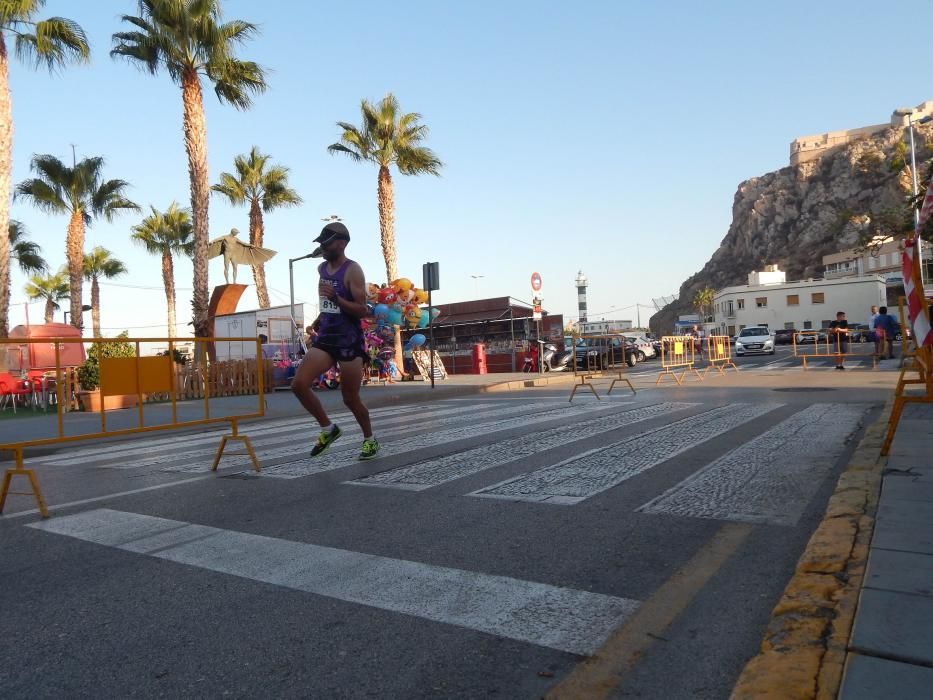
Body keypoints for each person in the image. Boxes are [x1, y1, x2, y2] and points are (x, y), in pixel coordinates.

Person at [291, 222, 379, 460]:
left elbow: (362, 310)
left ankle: (370, 440)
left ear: (341, 243)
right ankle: (328, 429)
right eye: (321, 243)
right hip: (327, 338)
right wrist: (317, 323)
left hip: (349, 340)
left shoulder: (353, 270)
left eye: (326, 243)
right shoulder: (321, 269)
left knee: (350, 398)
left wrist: (338, 299)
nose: (322, 247)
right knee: (298, 384)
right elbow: (327, 306)